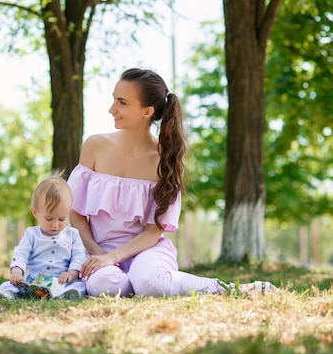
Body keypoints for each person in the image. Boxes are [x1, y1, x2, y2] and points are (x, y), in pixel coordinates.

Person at [68, 68, 277, 297]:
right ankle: (134, 286)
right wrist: (98, 252)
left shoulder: (165, 159)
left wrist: (113, 257)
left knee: (150, 283)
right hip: (100, 248)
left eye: (122, 102)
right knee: (103, 286)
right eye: (113, 100)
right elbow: (75, 211)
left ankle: (227, 289)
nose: (112, 109)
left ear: (146, 111)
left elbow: (152, 232)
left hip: (146, 251)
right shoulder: (95, 146)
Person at [0, 173, 87, 300]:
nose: (55, 224)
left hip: (61, 282)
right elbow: (21, 253)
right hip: (34, 283)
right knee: (6, 285)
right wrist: (17, 272)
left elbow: (79, 256)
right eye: (49, 218)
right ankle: (14, 293)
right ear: (35, 213)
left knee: (81, 286)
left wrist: (71, 274)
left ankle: (64, 295)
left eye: (62, 219)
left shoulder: (72, 235)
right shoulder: (31, 234)